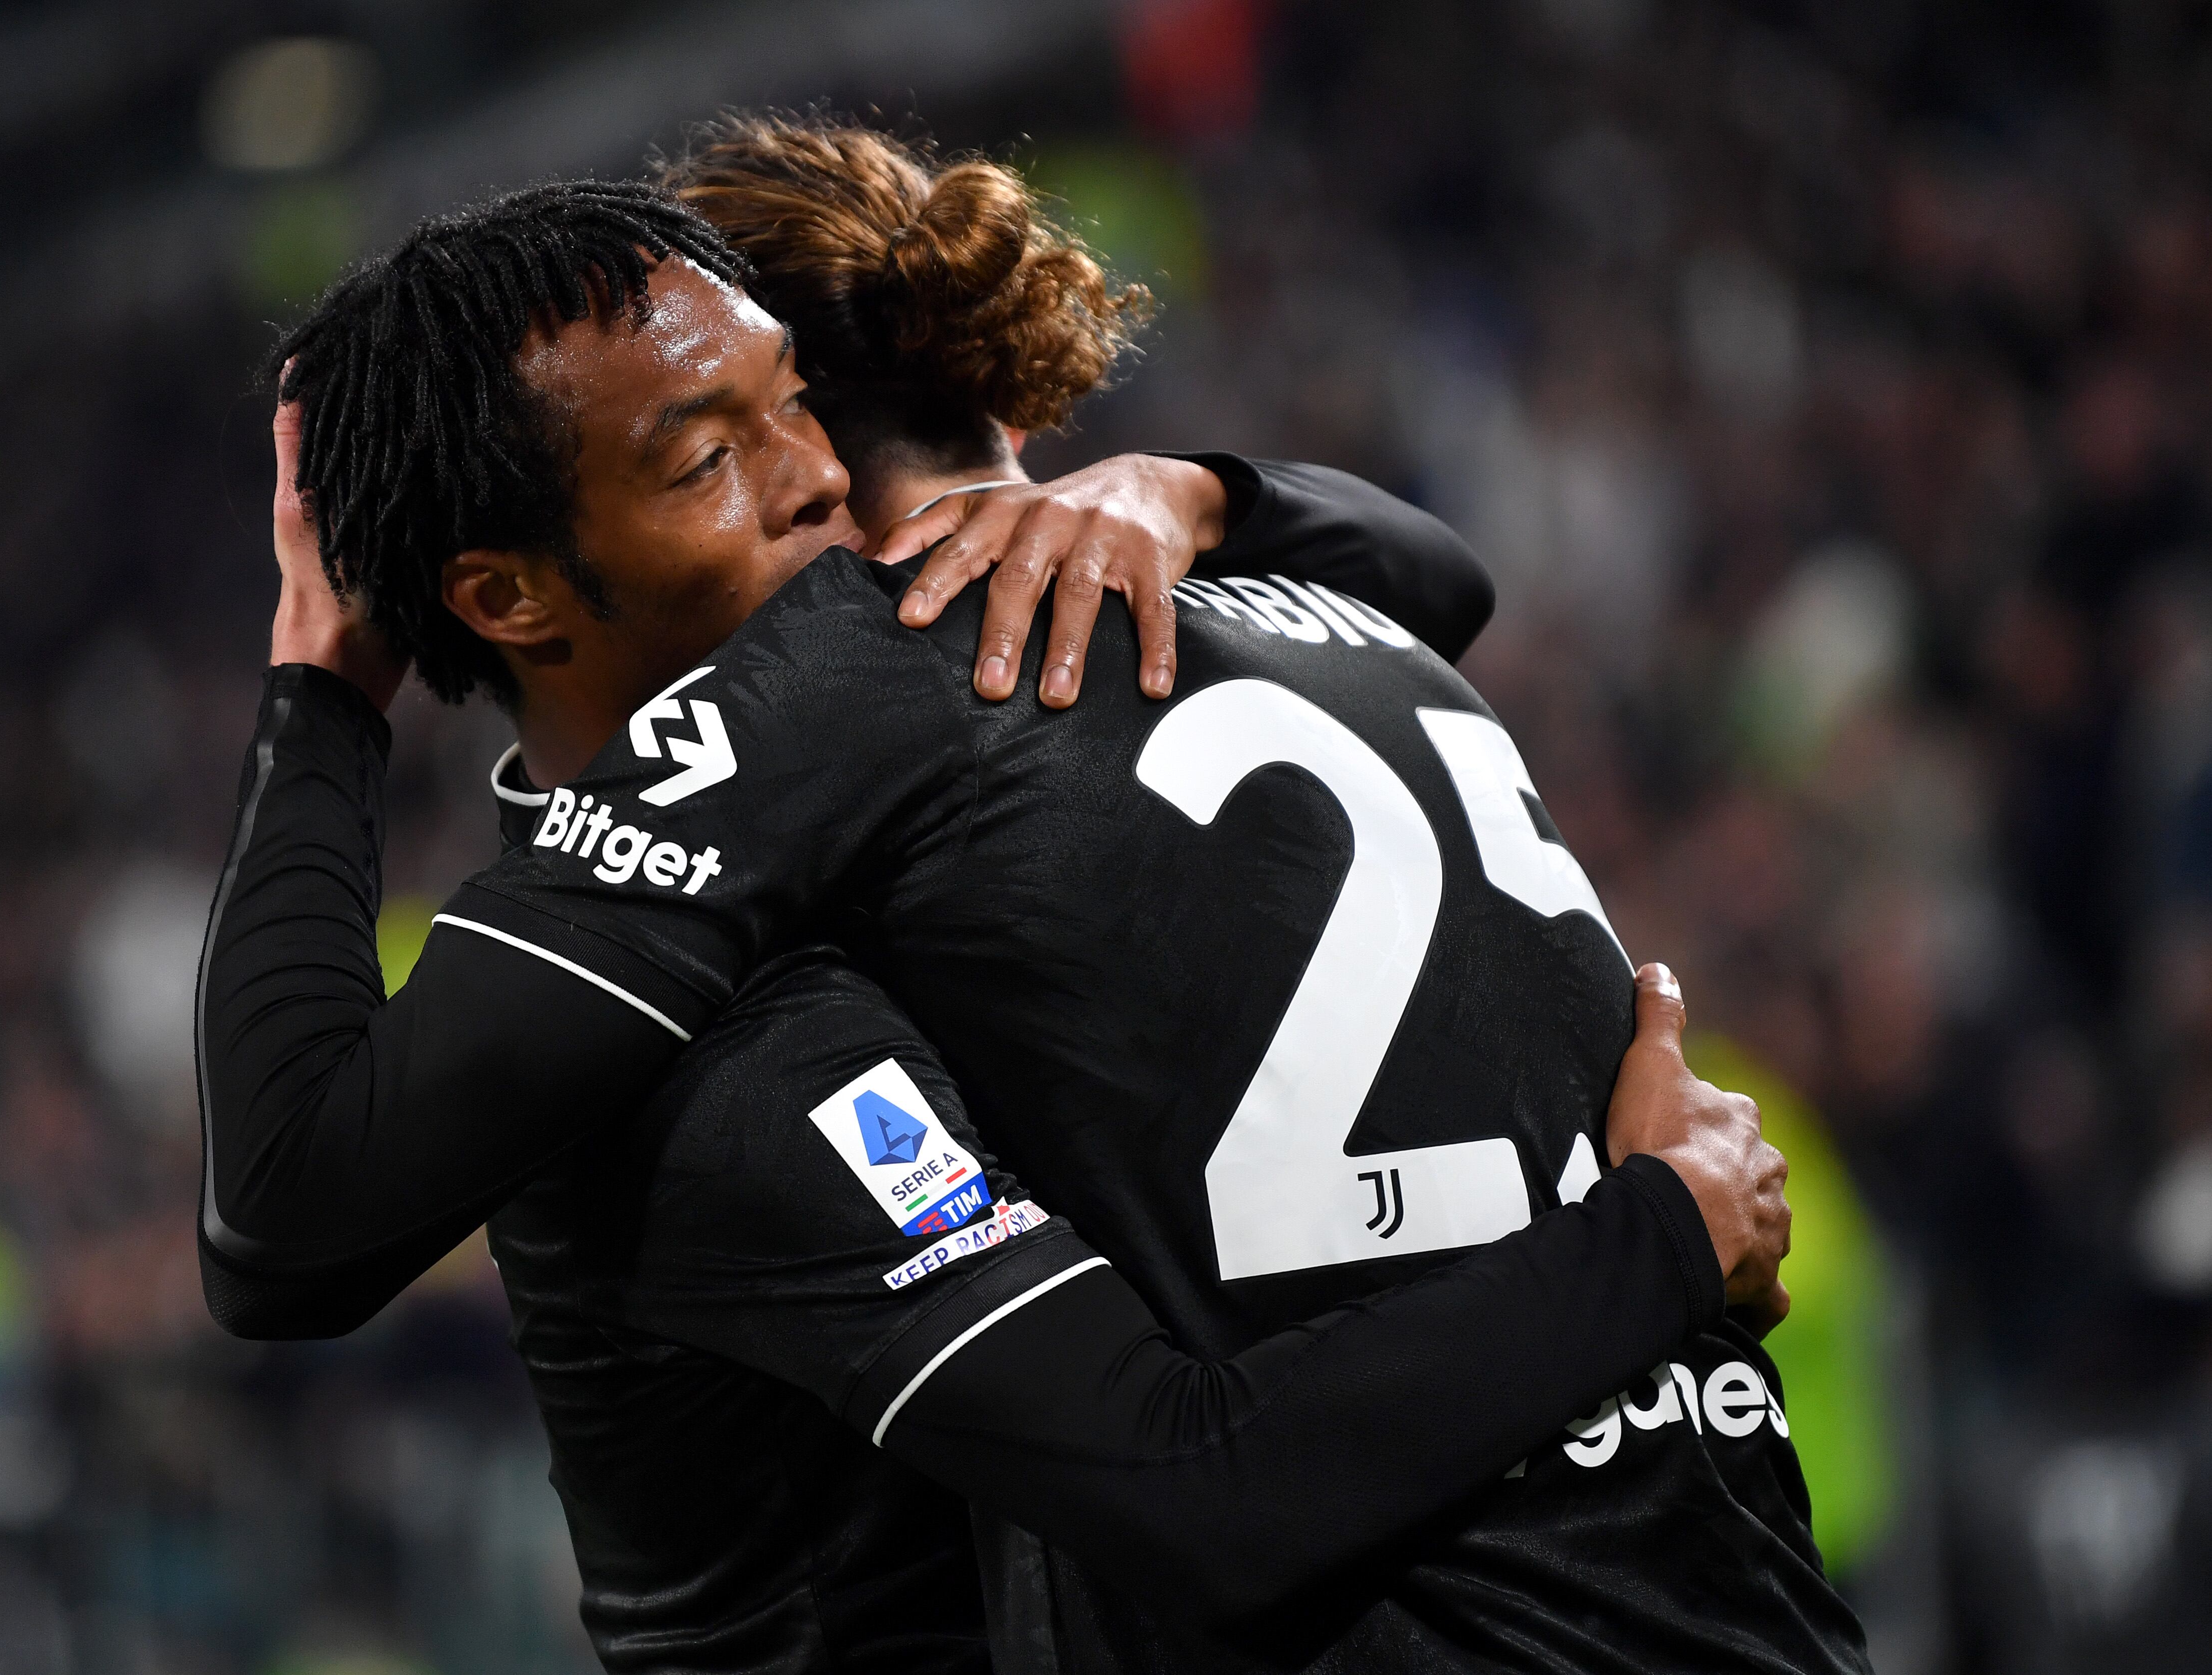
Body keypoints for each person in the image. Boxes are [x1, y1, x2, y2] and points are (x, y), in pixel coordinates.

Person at [196, 165, 1838, 1671]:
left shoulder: (834, 755)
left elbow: (1203, 1484)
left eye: (790, 410)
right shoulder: (1330, 626)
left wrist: (322, 702)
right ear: (506, 590)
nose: (814, 486)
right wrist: (1202, 494)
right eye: (710, 456)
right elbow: (1446, 579)